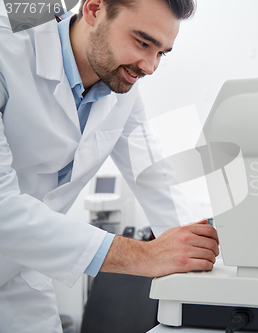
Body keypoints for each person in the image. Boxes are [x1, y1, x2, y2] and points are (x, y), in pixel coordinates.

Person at [0, 0, 220, 331]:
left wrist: (199, 253)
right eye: (142, 42)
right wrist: (144, 256)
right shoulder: (9, 49)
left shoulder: (123, 89)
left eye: (161, 52)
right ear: (93, 9)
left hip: (20, 276)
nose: (149, 66)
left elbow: (156, 178)